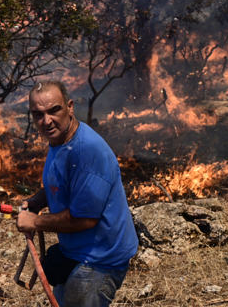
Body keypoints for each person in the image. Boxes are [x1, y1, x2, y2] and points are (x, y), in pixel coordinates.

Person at [16, 80, 138, 307]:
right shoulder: (60, 139)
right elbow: (62, 182)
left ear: (69, 107)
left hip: (99, 260)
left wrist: (35, 221)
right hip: (77, 253)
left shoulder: (86, 151)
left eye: (54, 110)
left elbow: (84, 218)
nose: (46, 121)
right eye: (38, 114)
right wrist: (38, 199)